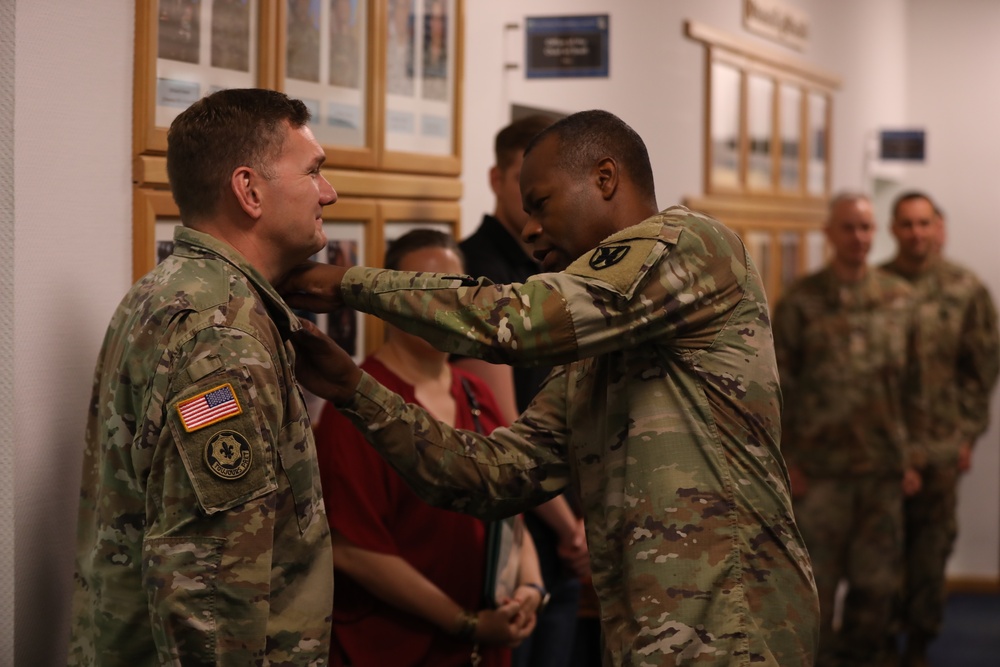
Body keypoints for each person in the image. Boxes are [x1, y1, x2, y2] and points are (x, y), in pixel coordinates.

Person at [284, 109, 819, 665]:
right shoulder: (594, 353)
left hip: (734, 632)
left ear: (605, 178)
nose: (530, 230)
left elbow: (515, 324)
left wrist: (349, 282)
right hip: (647, 641)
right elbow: (494, 475)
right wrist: (353, 388)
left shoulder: (691, 245)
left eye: (540, 205)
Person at [68, 88, 337, 665]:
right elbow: (209, 590)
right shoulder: (221, 332)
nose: (329, 193)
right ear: (250, 190)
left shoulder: (168, 288)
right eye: (313, 172)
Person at [316, 229, 544, 667]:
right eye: (423, 290)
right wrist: (465, 622)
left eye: (456, 291)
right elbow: (353, 550)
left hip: (484, 644)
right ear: (388, 301)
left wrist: (530, 587)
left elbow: (512, 508)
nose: (443, 307)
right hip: (397, 646)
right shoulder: (359, 403)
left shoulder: (476, 391)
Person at [457, 114, 588, 667]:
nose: (537, 199)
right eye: (524, 179)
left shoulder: (561, 264)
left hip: (566, 525)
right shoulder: (477, 268)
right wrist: (571, 528)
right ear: (495, 177)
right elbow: (502, 425)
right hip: (523, 524)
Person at [772, 192, 922, 667]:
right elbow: (778, 388)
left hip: (881, 471)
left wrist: (912, 456)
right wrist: (787, 461)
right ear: (829, 233)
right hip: (820, 475)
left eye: (866, 228)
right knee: (814, 592)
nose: (859, 238)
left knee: (876, 591)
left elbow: (916, 389)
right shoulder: (801, 301)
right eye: (849, 228)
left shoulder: (900, 299)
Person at [881, 191, 1000, 666]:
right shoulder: (878, 285)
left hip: (942, 445)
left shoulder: (965, 289)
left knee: (930, 552)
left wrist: (967, 434)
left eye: (924, 223)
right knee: (883, 553)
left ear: (937, 227)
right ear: (894, 229)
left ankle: (920, 644)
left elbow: (982, 368)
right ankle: (883, 639)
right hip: (884, 446)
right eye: (907, 224)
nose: (916, 233)